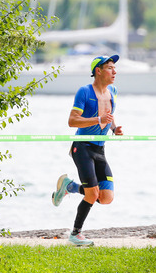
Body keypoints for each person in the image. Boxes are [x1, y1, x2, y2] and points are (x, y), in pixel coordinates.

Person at [51, 55, 124, 246]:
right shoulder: (84, 91)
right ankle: (75, 234)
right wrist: (98, 120)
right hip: (82, 147)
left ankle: (70, 187)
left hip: (100, 149)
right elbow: (72, 120)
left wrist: (114, 128)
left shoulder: (113, 91)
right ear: (98, 71)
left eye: (114, 68)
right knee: (92, 194)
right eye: (110, 68)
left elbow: (109, 116)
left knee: (106, 197)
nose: (114, 71)